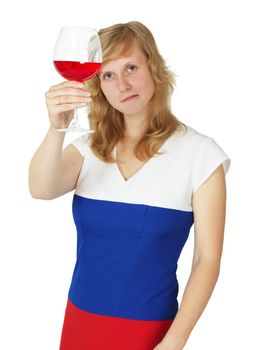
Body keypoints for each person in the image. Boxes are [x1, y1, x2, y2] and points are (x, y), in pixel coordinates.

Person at [29, 21, 231, 350]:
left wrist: (174, 341)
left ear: (154, 66)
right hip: (80, 321)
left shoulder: (201, 155)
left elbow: (206, 259)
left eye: (131, 68)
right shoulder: (88, 148)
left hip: (151, 331)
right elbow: (40, 188)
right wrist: (56, 129)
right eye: (108, 75)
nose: (122, 84)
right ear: (98, 84)